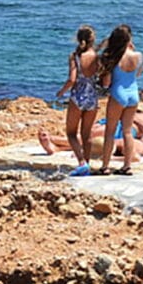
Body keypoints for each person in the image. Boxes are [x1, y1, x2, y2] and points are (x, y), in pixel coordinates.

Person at [95, 24, 143, 175]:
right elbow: (138, 74)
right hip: (133, 94)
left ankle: (105, 166)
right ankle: (127, 166)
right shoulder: (138, 55)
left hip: (118, 93)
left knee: (110, 131)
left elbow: (106, 82)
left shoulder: (113, 57)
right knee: (127, 131)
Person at [53, 24, 100, 175]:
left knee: (71, 133)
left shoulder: (75, 56)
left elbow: (72, 79)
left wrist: (61, 91)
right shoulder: (97, 57)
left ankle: (81, 162)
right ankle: (86, 165)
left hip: (78, 95)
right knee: (87, 135)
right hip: (92, 96)